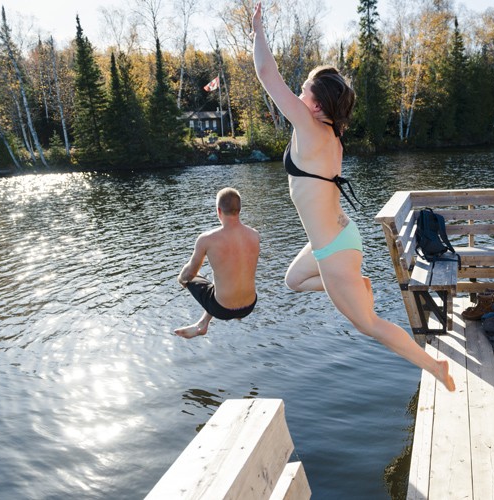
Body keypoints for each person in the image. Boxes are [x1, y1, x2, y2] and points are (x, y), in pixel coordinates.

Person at [251, 2, 455, 391]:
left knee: (369, 325)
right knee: (293, 281)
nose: (297, 95)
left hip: (333, 248)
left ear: (315, 105)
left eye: (303, 91)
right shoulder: (333, 137)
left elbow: (266, 73)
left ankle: (435, 367)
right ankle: (353, 283)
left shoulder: (309, 130)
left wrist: (259, 30)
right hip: (336, 239)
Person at [175, 187, 260, 339]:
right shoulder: (254, 235)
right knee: (224, 276)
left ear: (218, 211)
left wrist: (181, 279)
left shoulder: (207, 239)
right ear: (239, 210)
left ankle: (202, 324)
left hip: (221, 309)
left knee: (188, 273)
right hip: (250, 305)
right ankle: (202, 323)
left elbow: (191, 274)